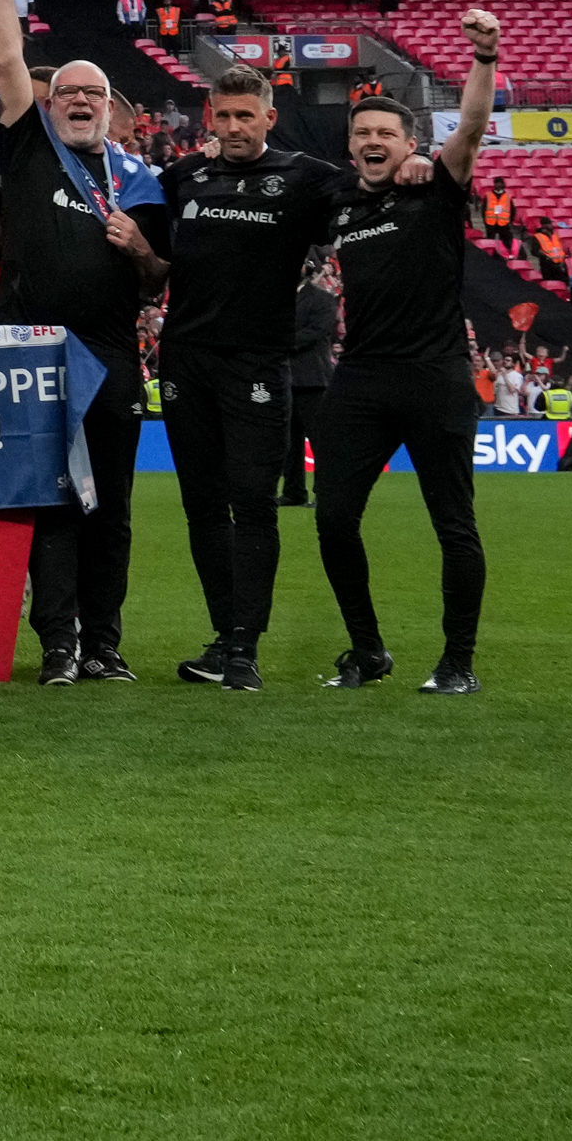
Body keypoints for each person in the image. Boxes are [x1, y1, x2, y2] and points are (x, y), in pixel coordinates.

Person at [0, 0, 170, 687]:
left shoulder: (141, 177)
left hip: (113, 354)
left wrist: (142, 245)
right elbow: (9, 60)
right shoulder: (30, 150)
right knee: (52, 504)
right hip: (33, 353)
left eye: (93, 94)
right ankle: (58, 643)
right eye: (68, 93)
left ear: (112, 108)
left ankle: (106, 642)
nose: (79, 101)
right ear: (50, 106)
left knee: (110, 507)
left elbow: (158, 278)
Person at [156, 64, 359, 690]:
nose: (236, 126)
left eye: (248, 115)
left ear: (269, 118)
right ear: (208, 118)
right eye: (225, 115)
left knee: (254, 504)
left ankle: (245, 647)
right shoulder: (180, 179)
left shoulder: (305, 178)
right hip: (185, 359)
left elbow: (370, 194)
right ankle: (224, 639)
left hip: (258, 365)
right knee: (201, 507)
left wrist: (415, 167)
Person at [319, 15, 502, 695]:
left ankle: (458, 661)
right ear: (350, 145)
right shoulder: (337, 203)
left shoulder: (434, 187)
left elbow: (475, 128)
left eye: (385, 133)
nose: (372, 141)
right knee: (333, 518)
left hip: (434, 375)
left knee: (453, 522)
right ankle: (368, 651)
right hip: (361, 379)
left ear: (410, 143)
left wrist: (483, 55)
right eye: (362, 133)